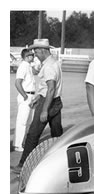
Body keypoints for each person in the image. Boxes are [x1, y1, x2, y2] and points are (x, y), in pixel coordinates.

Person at [12, 38, 63, 174]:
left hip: (48, 102)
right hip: (55, 101)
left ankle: (23, 164)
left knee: (33, 134)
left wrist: (44, 109)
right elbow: (47, 88)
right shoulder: (54, 63)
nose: (35, 54)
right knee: (57, 134)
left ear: (42, 50)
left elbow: (51, 89)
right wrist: (39, 96)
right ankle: (61, 161)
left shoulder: (49, 66)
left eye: (36, 51)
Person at [13, 48, 36, 152]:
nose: (33, 56)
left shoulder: (28, 66)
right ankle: (18, 145)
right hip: (26, 95)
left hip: (31, 95)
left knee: (28, 121)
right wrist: (25, 96)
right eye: (31, 55)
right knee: (22, 121)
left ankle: (22, 142)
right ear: (27, 56)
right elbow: (17, 82)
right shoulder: (23, 66)